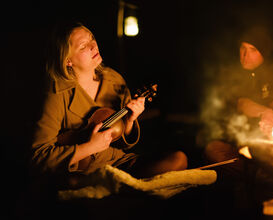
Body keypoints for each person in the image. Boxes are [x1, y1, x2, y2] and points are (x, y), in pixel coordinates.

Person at [30, 21, 188, 190]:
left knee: (179, 159)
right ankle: (113, 188)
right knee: (70, 183)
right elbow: (38, 157)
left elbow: (122, 144)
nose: (93, 45)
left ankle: (115, 186)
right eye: (83, 46)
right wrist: (89, 146)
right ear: (68, 60)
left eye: (92, 39)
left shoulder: (113, 80)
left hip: (115, 163)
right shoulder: (56, 93)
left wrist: (129, 121)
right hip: (78, 171)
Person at [200, 26, 273, 165]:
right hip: (240, 142)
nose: (245, 55)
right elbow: (243, 104)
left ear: (263, 54)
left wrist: (272, 116)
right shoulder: (233, 75)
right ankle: (254, 173)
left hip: (270, 142)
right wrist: (265, 112)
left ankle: (264, 172)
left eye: (253, 50)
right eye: (243, 48)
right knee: (213, 149)